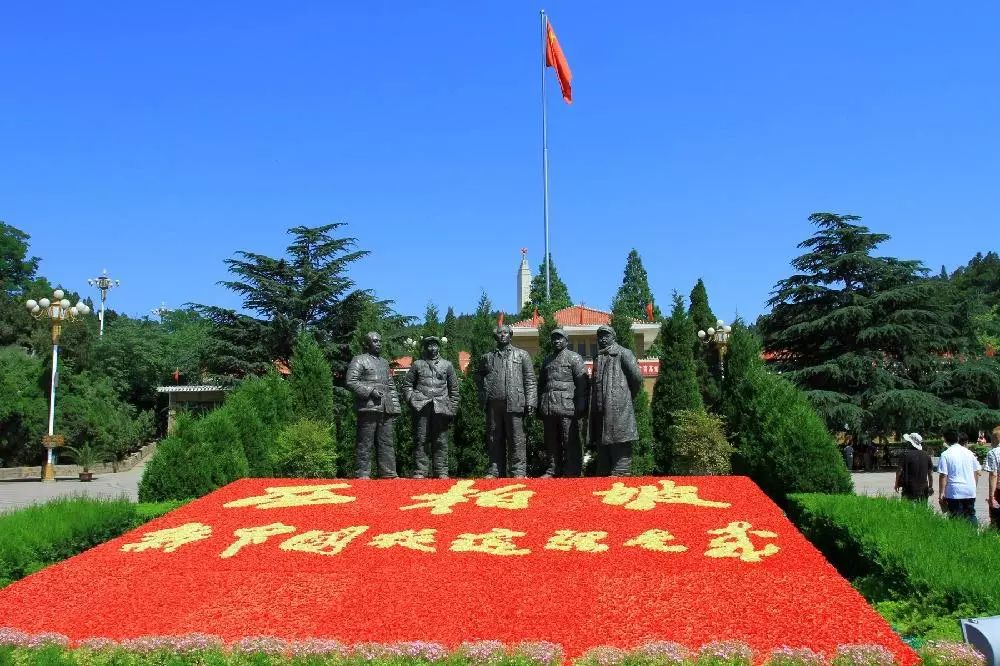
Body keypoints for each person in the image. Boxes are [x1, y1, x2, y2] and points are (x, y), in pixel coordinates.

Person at [474, 324, 537, 478]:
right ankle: (495, 470)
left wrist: (531, 401)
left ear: (511, 335)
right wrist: (483, 392)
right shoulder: (487, 357)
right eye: (499, 333)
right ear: (496, 336)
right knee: (494, 437)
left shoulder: (522, 355)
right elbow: (477, 375)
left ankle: (518, 470)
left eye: (505, 333)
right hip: (494, 404)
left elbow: (530, 380)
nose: (502, 335)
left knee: (516, 437)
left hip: (515, 402)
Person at [589, 324, 643, 476]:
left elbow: (637, 378)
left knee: (620, 438)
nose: (602, 338)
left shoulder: (623, 353)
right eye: (600, 336)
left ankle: (621, 471)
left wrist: (624, 395)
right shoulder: (597, 357)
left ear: (613, 337)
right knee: (602, 440)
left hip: (618, 404)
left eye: (606, 335)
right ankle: (604, 469)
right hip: (600, 407)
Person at [346, 331, 400, 479]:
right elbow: (351, 381)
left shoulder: (383, 362)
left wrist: (395, 407)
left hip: (385, 407)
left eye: (379, 341)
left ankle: (388, 473)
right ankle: (362, 473)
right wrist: (370, 391)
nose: (378, 344)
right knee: (365, 442)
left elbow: (391, 385)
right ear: (367, 344)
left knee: (386, 442)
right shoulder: (359, 360)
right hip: (368, 406)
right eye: (375, 341)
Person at [404, 336, 459, 479]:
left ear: (439, 347)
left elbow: (454, 389)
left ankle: (441, 471)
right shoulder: (418, 364)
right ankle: (420, 471)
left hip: (441, 407)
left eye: (435, 345)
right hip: (422, 406)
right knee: (421, 439)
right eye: (429, 345)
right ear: (425, 347)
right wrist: (411, 399)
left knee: (441, 440)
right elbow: (407, 385)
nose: (432, 348)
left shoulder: (447, 365)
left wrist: (452, 407)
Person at [538, 328, 589, 478]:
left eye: (560, 338)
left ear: (566, 341)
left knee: (570, 439)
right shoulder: (547, 360)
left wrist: (581, 404)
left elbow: (582, 384)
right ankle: (552, 469)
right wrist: (540, 404)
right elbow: (541, 384)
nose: (556, 341)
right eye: (554, 338)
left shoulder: (575, 358)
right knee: (551, 440)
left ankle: (572, 470)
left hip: (568, 406)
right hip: (549, 406)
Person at [937, 430, 981, 524]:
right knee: (970, 515)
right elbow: (976, 472)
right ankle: (974, 536)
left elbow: (943, 475)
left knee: (956, 516)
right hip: (969, 489)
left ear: (945, 440)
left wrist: (941, 493)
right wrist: (973, 486)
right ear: (957, 439)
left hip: (954, 491)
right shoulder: (969, 453)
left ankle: (960, 537)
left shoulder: (945, 454)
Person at [895, 432, 933, 502]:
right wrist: (930, 487)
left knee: (906, 510)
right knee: (922, 510)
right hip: (923, 488)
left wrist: (896, 484)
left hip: (909, 488)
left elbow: (899, 471)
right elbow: (930, 474)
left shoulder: (905, 454)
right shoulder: (926, 455)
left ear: (910, 443)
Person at [983, 432, 1000, 529]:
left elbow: (993, 475)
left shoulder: (993, 452)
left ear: (995, 439)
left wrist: (991, 496)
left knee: (996, 519)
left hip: (999, 489)